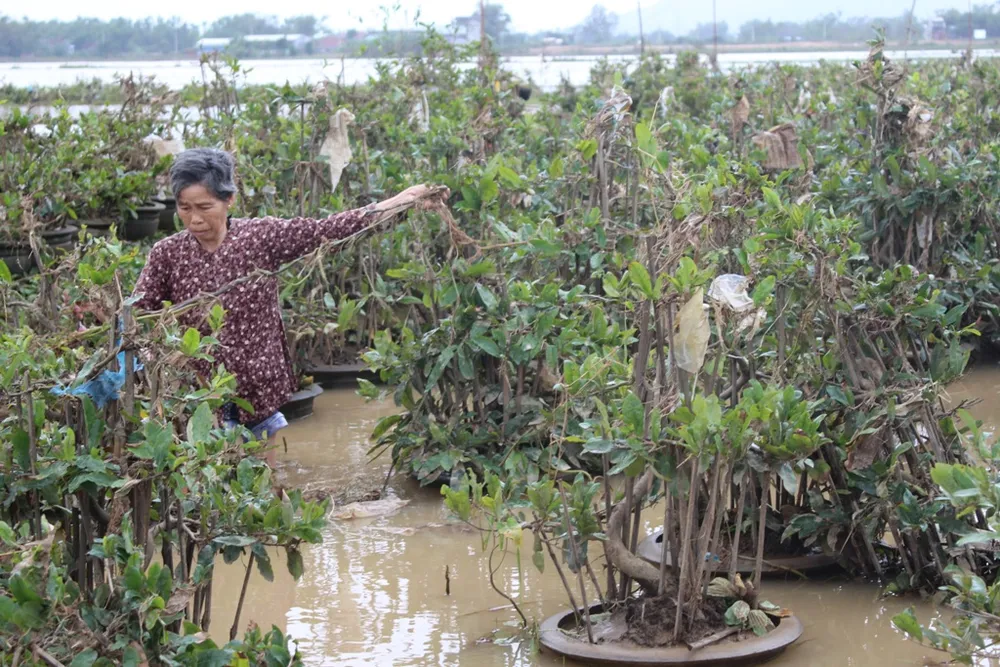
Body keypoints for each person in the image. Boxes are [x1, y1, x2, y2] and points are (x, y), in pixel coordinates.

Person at [133, 147, 440, 465]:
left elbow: (326, 230)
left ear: (229, 201)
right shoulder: (167, 254)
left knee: (262, 482)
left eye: (204, 207)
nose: (194, 219)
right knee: (202, 479)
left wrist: (400, 201)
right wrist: (157, 366)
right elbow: (139, 315)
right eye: (184, 208)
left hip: (257, 387)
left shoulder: (260, 237)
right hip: (198, 392)